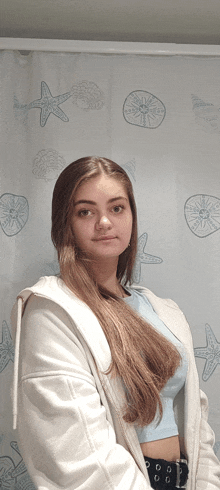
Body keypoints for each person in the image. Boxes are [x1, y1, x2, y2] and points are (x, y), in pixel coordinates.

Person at [11, 156, 220, 490]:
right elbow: (77, 455)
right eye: (85, 211)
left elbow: (197, 422)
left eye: (117, 208)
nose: (104, 222)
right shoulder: (53, 312)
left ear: (132, 216)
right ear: (65, 223)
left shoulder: (163, 310)